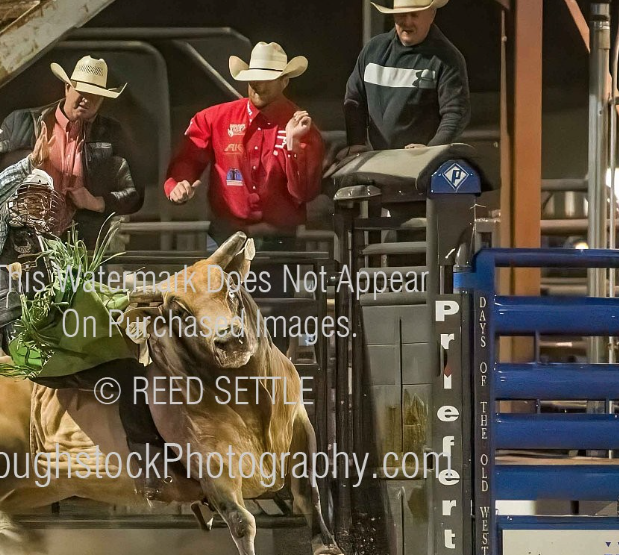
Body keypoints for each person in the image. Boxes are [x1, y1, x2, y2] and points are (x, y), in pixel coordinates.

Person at [0, 139, 179, 501]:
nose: (39, 203)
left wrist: (130, 301)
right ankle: (149, 467)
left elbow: (87, 289)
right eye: (30, 195)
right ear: (13, 201)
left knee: (139, 361)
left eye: (44, 195)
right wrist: (26, 166)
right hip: (30, 340)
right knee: (128, 373)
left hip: (62, 336)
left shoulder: (54, 246)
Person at [164, 41, 323, 352]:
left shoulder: (300, 126)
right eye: (253, 75)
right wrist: (179, 184)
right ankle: (225, 387)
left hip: (277, 242)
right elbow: (187, 160)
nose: (257, 83)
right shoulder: (214, 119)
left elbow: (304, 191)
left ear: (284, 81)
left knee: (273, 320)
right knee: (219, 316)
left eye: (266, 76)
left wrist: (292, 147)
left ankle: (268, 386)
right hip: (225, 240)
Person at [0, 56, 143, 248]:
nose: (87, 99)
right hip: (27, 241)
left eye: (95, 94)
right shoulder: (22, 121)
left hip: (85, 243)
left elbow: (136, 192)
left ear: (102, 99)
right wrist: (26, 160)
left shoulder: (113, 133)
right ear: (67, 88)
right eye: (82, 91)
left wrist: (98, 202)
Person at [341, 0, 470, 158]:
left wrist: (431, 150)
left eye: (414, 15)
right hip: (376, 160)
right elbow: (354, 100)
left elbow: (456, 113)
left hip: (422, 167)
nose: (407, 22)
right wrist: (356, 143)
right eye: (401, 15)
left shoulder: (448, 59)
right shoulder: (372, 50)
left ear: (431, 15)